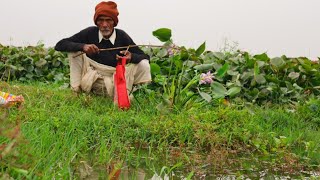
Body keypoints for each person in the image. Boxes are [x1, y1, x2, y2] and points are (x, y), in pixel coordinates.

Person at [55, 1, 151, 100]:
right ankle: (76, 91)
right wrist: (83, 46)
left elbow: (145, 57)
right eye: (101, 20)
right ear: (96, 22)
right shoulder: (90, 33)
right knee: (74, 52)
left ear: (114, 22)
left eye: (109, 20)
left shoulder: (122, 36)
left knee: (143, 63)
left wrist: (131, 57)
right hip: (91, 79)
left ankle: (135, 91)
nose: (105, 25)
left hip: (114, 81)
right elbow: (60, 44)